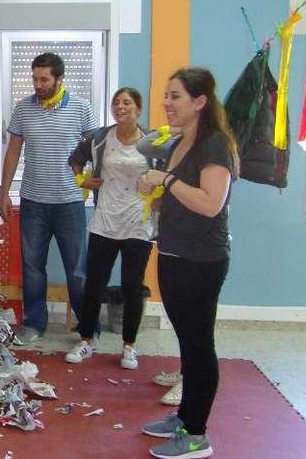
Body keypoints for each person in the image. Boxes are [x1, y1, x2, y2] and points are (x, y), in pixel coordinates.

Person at [138, 67, 238, 459]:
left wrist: (166, 182)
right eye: (166, 95)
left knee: (199, 346)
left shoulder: (215, 145)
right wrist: (156, 189)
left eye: (175, 96)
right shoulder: (180, 143)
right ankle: (184, 417)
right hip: (174, 253)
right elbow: (178, 196)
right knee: (188, 345)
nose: (167, 103)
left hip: (202, 260)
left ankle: (197, 436)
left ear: (199, 102)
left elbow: (211, 205)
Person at [0, 52, 98, 346]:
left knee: (77, 270)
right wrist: (4, 193)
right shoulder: (23, 109)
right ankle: (34, 323)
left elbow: (99, 150)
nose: (38, 84)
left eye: (44, 79)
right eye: (35, 78)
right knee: (32, 266)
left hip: (70, 203)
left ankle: (87, 328)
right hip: (33, 202)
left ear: (59, 79)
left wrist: (94, 183)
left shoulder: (81, 108)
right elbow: (13, 152)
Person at [63, 87, 153, 370]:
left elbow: (165, 173)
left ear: (138, 109)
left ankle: (129, 346)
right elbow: (74, 159)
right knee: (94, 284)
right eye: (116, 103)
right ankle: (86, 340)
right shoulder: (100, 138)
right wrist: (83, 181)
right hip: (105, 221)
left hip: (139, 223)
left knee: (132, 286)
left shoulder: (152, 142)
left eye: (127, 102)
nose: (121, 107)